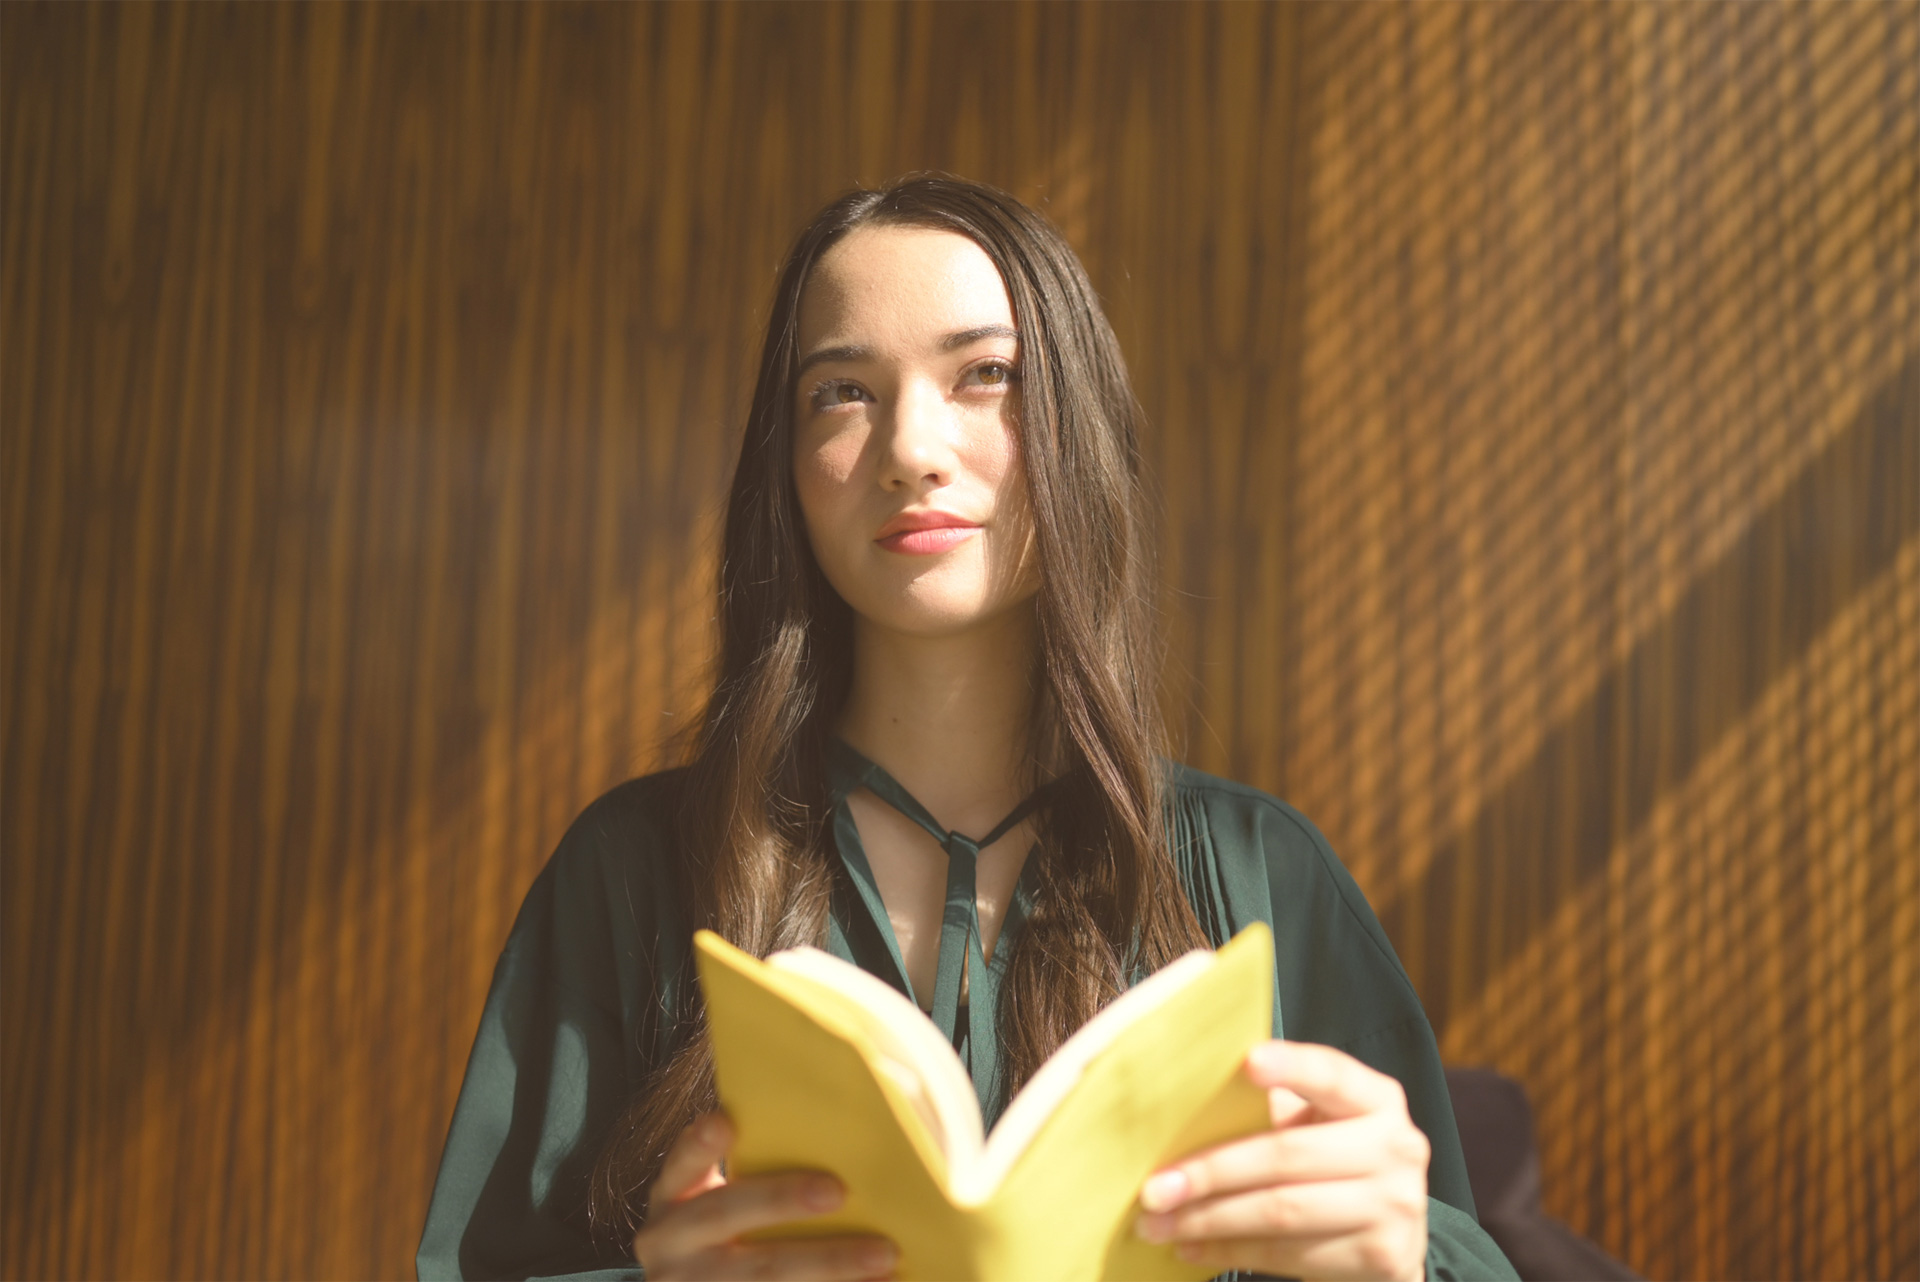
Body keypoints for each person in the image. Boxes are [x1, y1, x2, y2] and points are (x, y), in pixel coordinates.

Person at [416, 175, 1518, 1282]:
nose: (911, 447)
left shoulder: (1261, 875)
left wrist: (1403, 1260)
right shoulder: (630, 872)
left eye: (986, 375)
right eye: (842, 392)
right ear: (784, 467)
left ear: (1077, 424)